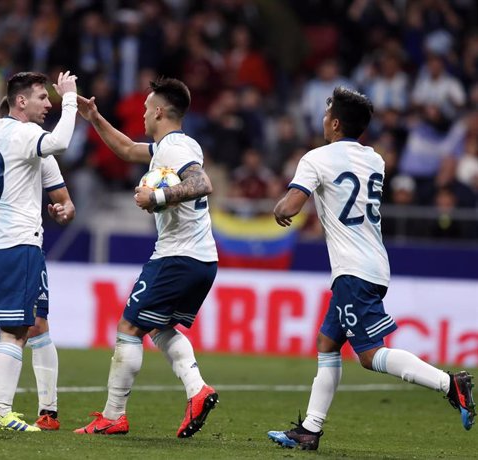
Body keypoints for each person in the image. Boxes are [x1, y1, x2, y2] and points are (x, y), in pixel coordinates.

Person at [268, 87, 476, 451]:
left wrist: (279, 206)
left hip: (352, 270)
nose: (322, 118)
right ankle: (310, 430)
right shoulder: (375, 159)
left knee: (368, 355)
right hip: (374, 264)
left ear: (334, 122)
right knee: (327, 343)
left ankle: (449, 384)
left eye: (326, 111)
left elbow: (291, 207)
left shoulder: (315, 159)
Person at [74, 77, 219, 438]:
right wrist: (94, 116)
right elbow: (124, 149)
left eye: (144, 108)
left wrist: (156, 199)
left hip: (177, 256)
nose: (141, 115)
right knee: (157, 325)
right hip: (200, 258)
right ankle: (197, 389)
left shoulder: (176, 147)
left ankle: (113, 415)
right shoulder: (167, 148)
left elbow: (202, 183)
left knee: (128, 328)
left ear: (158, 111)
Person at [0, 97, 75, 429]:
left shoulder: (36, 153)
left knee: (33, 325)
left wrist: (61, 211)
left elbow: (65, 202)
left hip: (19, 246)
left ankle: (48, 410)